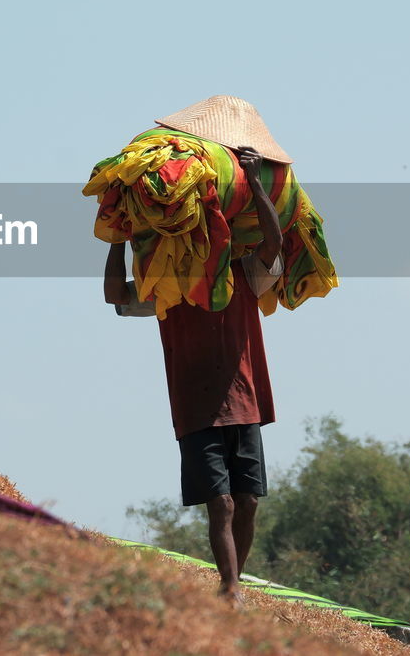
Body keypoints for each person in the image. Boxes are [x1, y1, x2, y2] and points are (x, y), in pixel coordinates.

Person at [103, 142, 284, 604]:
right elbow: (114, 295)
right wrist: (119, 233)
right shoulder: (167, 285)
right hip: (197, 409)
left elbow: (274, 243)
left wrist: (258, 183)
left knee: (247, 503)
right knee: (220, 503)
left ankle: (231, 587)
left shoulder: (243, 274)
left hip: (243, 403)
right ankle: (230, 589)